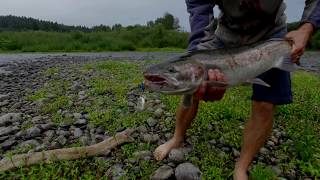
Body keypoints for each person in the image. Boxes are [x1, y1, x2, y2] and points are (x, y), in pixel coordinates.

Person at [153, 0, 320, 179]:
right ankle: (177, 137)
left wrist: (306, 28)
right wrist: (197, 54)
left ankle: (241, 167)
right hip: (228, 33)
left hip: (272, 35)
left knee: (265, 103)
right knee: (192, 85)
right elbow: (199, 10)